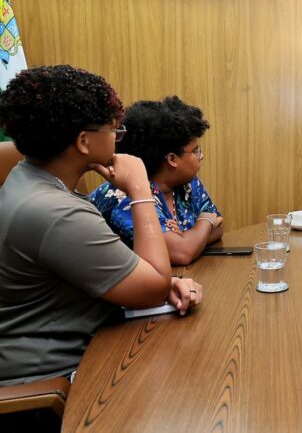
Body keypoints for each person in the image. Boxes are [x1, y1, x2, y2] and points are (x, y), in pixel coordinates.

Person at [0, 65, 202, 388]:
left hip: (82, 345)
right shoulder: (56, 212)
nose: (118, 140)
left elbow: (137, 278)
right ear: (83, 142)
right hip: (53, 383)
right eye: (114, 131)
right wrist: (138, 185)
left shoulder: (28, 178)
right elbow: (153, 286)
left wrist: (150, 282)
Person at [90, 96, 222, 265]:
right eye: (195, 151)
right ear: (172, 159)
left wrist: (190, 237)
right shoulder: (125, 195)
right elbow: (182, 253)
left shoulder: (187, 183)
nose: (201, 156)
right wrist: (206, 220)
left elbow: (219, 228)